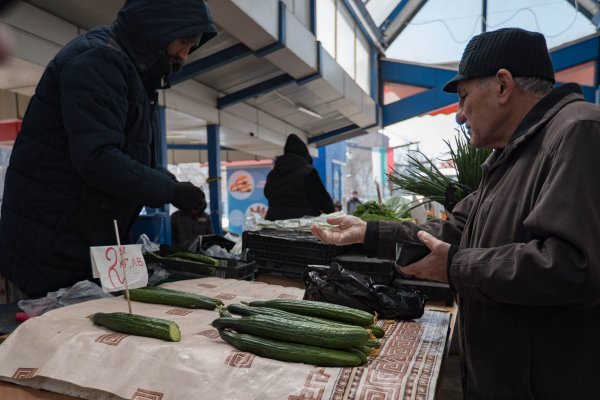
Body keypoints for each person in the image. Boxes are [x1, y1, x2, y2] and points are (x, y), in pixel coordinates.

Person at [312, 27, 600, 399]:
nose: (460, 116)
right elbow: (456, 231)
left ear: (502, 85)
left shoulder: (578, 132)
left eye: (464, 98)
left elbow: (574, 266)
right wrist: (369, 233)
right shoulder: (509, 154)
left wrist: (456, 267)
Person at [0, 0, 217, 300]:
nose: (184, 55)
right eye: (182, 42)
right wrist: (170, 191)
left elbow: (129, 156)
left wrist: (171, 183)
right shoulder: (99, 60)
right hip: (51, 244)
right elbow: (98, 159)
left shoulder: (134, 72)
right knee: (52, 338)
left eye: (191, 47)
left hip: (77, 238)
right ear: (158, 29)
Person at [264, 133, 334, 220]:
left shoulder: (273, 174)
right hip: (301, 223)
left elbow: (268, 194)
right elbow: (322, 199)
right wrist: (331, 213)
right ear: (305, 153)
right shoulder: (308, 172)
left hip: (274, 221)